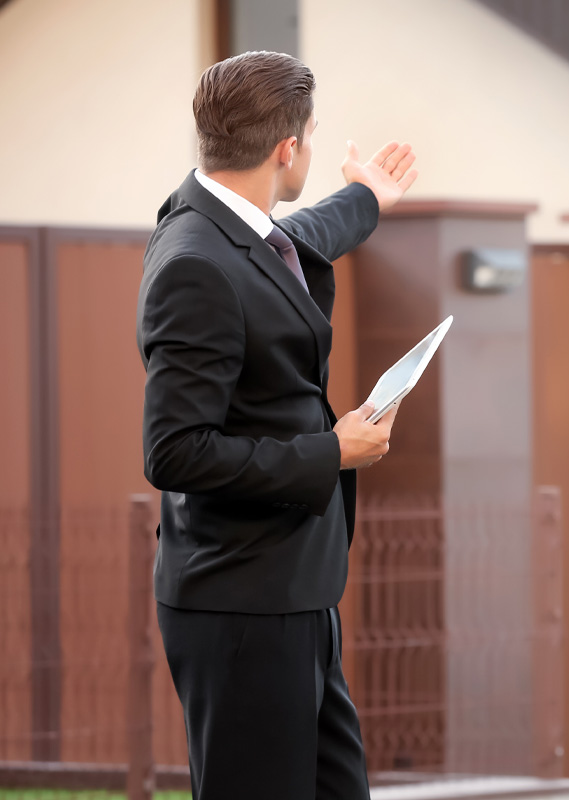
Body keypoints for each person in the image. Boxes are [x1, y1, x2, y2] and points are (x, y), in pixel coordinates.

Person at [137, 51, 417, 800]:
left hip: (292, 589)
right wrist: (333, 450)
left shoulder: (220, 220)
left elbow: (296, 241)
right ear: (287, 149)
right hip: (240, 604)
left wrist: (367, 198)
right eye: (311, 138)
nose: (311, 151)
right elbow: (174, 453)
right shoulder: (195, 264)